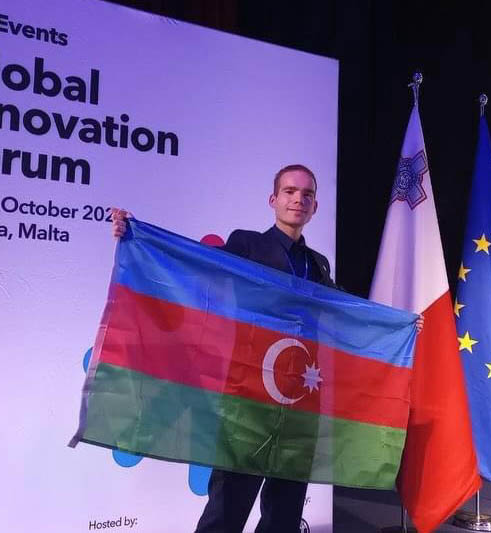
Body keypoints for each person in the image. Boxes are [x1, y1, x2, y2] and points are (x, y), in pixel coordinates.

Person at [112, 164, 334, 533]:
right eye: (290, 191)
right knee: (227, 509)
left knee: (284, 515)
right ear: (273, 199)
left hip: (301, 402)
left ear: (315, 206)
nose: (298, 199)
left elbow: (348, 312)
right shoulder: (247, 245)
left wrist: (401, 324)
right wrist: (137, 234)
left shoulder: (318, 264)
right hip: (250, 399)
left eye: (307, 194)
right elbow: (197, 265)